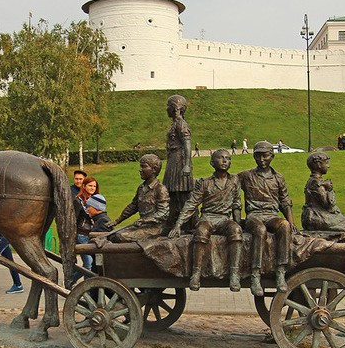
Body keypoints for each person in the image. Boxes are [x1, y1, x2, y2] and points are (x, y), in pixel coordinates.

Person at [169, 149, 243, 291]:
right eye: (220, 158)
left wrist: (238, 223)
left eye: (227, 158)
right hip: (208, 217)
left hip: (224, 219)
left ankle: (234, 273)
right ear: (212, 162)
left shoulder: (234, 181)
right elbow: (191, 204)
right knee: (201, 231)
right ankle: (196, 273)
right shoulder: (205, 183)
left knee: (236, 230)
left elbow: (236, 204)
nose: (224, 161)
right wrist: (178, 224)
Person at [238, 141, 295, 296]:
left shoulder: (278, 178)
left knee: (284, 226)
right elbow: (227, 183)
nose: (261, 160)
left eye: (265, 156)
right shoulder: (246, 176)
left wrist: (291, 222)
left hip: (271, 215)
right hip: (254, 216)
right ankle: (255, 274)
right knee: (260, 230)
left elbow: (285, 201)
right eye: (258, 156)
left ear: (272, 156)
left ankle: (280, 271)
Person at [103, 154, 170, 243]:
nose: (140, 170)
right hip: (141, 226)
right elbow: (133, 206)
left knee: (119, 237)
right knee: (113, 234)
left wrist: (145, 220)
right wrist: (117, 221)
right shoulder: (141, 188)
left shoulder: (160, 189)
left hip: (155, 229)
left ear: (154, 169)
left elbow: (164, 213)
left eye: (144, 167)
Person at [301, 152, 345, 241]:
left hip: (314, 216)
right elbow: (328, 204)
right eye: (326, 163)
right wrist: (329, 189)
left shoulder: (316, 181)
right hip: (316, 217)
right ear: (318, 164)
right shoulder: (316, 183)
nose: (328, 166)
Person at [162, 94, 194, 228]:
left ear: (175, 108)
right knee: (172, 192)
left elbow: (187, 143)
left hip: (179, 160)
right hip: (173, 159)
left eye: (168, 106)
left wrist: (186, 165)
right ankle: (172, 220)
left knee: (181, 193)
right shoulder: (175, 123)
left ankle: (188, 224)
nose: (166, 109)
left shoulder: (181, 123)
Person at [74, 176, 99, 278]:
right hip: (82, 234)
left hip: (92, 234)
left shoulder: (95, 200)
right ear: (84, 186)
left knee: (90, 264)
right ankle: (71, 281)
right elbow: (74, 219)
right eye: (90, 186)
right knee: (88, 263)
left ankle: (72, 281)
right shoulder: (78, 200)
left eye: (94, 186)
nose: (92, 188)